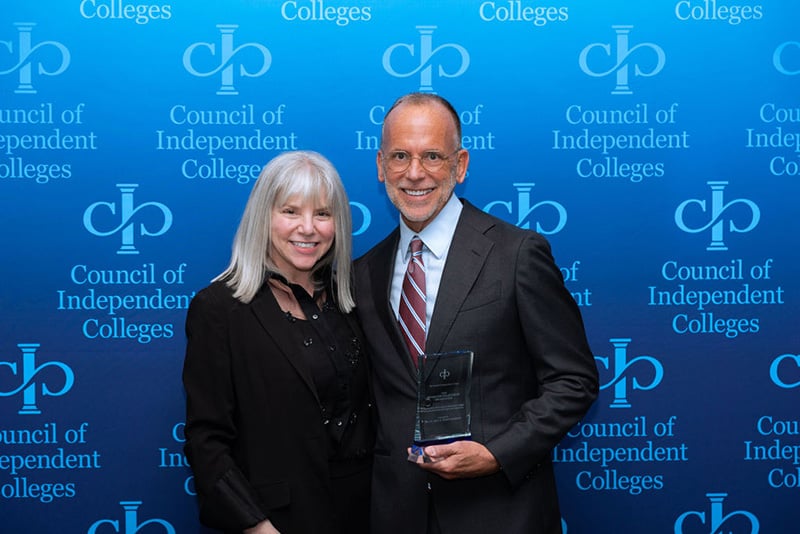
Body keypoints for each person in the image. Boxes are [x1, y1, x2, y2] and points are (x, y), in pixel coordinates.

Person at [354, 93, 599, 534]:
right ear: (379, 166)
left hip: (499, 512)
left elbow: (574, 380)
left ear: (460, 165)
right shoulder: (363, 273)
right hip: (396, 514)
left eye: (432, 155)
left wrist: (496, 453)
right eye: (399, 156)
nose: (414, 173)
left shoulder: (517, 255)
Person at [182, 150, 374, 534]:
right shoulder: (220, 309)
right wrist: (257, 525)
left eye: (322, 214)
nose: (308, 228)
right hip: (278, 523)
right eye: (290, 211)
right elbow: (207, 440)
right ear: (263, 217)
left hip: (366, 516)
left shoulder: (354, 299)